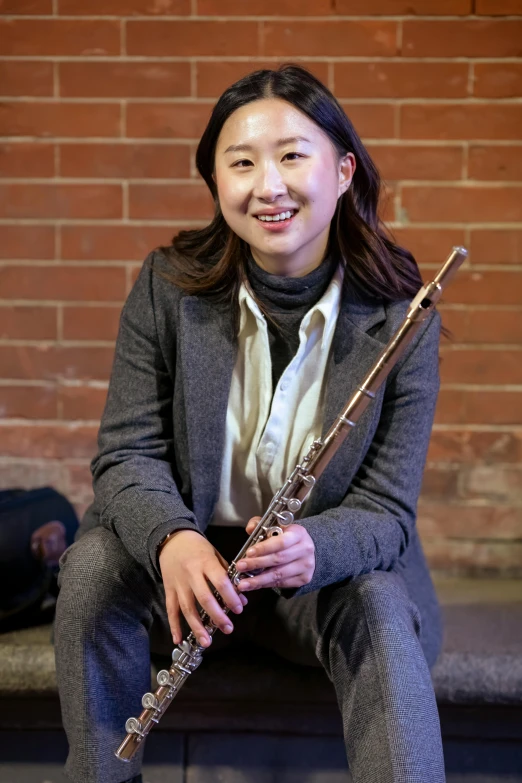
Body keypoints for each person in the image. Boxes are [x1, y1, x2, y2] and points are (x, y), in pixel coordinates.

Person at [54, 64, 446, 783]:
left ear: (344, 170)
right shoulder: (165, 287)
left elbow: (388, 512)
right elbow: (125, 455)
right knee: (91, 568)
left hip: (314, 578)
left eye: (293, 155)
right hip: (188, 572)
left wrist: (315, 548)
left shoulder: (401, 316)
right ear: (216, 182)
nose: (268, 186)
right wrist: (172, 539)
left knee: (381, 602)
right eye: (241, 163)